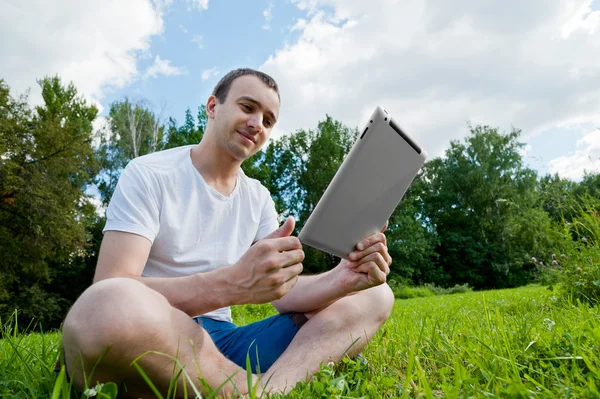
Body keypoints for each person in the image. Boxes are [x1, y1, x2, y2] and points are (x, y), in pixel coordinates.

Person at [62, 68, 395, 397]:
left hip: (226, 344)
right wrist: (232, 284)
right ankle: (245, 388)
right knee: (105, 307)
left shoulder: (258, 197)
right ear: (212, 107)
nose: (257, 124)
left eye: (268, 120)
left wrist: (344, 279)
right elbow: (112, 283)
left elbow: (285, 296)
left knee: (376, 296)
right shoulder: (149, 173)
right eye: (248, 108)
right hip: (157, 330)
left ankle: (271, 389)